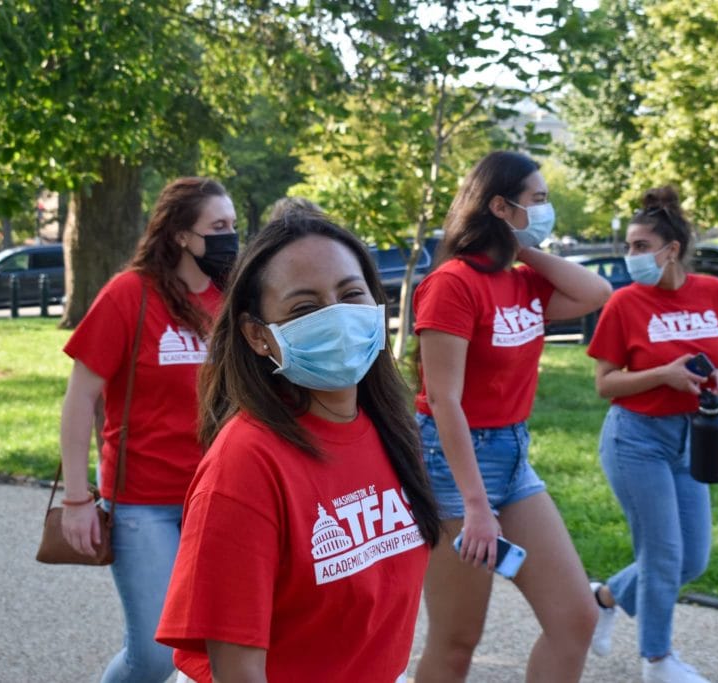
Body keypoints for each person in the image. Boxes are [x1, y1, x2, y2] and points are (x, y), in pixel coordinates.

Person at [155, 212, 441, 682]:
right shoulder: (245, 465)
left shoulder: (390, 427)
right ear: (257, 334)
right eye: (304, 308)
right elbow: (239, 672)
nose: (337, 317)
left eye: (351, 295)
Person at [412, 150, 613, 682]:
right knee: (457, 642)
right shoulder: (452, 284)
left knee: (576, 618)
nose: (546, 210)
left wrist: (522, 248)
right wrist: (477, 507)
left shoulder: (523, 281)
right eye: (538, 200)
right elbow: (444, 399)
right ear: (499, 205)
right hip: (453, 466)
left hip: (513, 457)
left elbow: (597, 293)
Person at [58, 177, 238, 683]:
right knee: (157, 655)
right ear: (181, 234)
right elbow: (79, 401)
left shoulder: (233, 299)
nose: (230, 238)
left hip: (220, 498)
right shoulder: (129, 295)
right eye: (217, 227)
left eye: (234, 226)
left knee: (215, 648)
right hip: (143, 503)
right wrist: (76, 499)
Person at [586, 187, 718, 683]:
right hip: (636, 439)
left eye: (640, 247)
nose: (631, 257)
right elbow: (604, 383)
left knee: (692, 559)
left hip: (693, 438)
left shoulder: (713, 293)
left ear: (671, 249)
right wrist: (664, 374)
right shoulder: (623, 303)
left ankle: (604, 597)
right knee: (662, 555)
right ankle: (657, 661)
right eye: (629, 247)